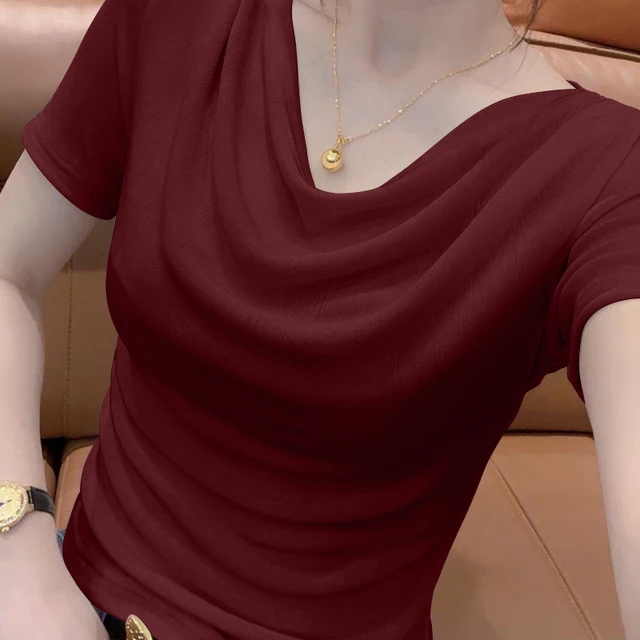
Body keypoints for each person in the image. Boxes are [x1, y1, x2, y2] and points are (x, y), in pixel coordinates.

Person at [1, 0, 639, 639]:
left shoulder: (607, 176)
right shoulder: (179, 17)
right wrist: (22, 554)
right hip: (66, 600)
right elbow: (8, 270)